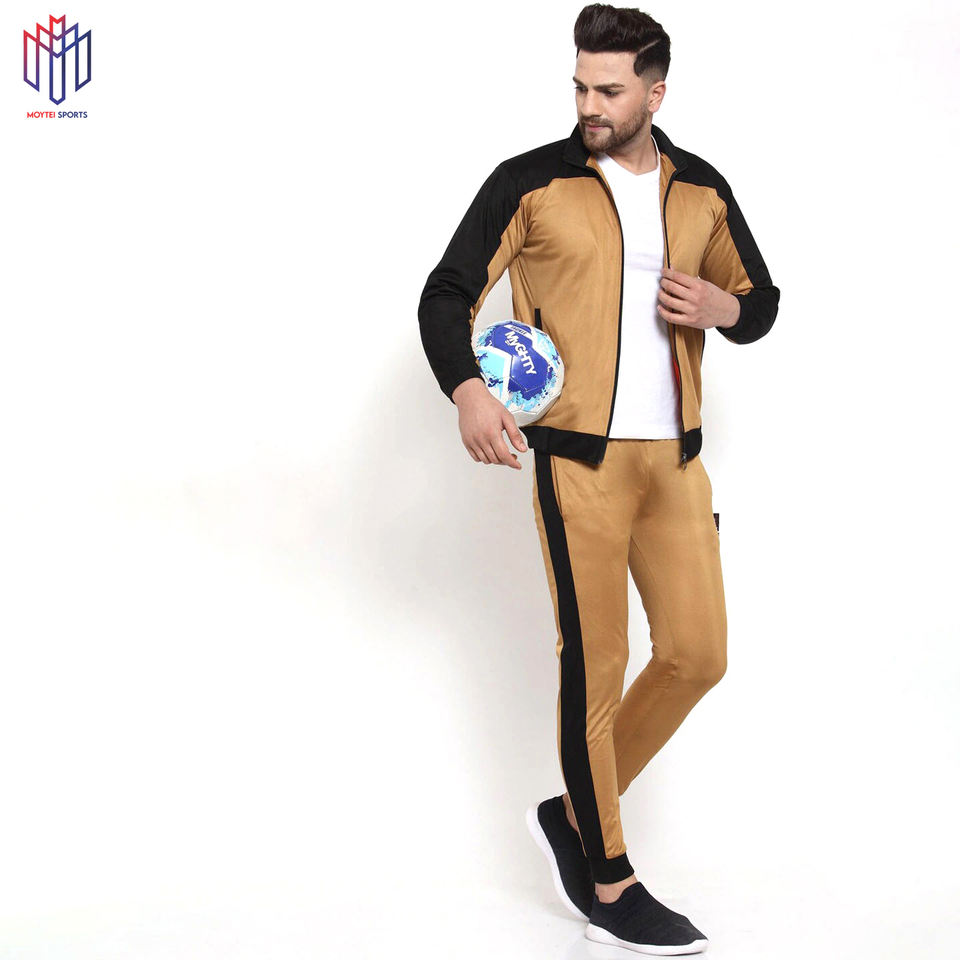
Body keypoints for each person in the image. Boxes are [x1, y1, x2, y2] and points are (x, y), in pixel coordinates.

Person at [417, 4, 779, 953]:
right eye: (580, 85)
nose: (590, 104)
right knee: (597, 662)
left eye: (609, 90)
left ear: (655, 93)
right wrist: (466, 389)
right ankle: (609, 879)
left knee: (698, 655)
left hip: (676, 462)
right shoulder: (530, 182)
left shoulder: (702, 190)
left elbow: (762, 303)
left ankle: (572, 810)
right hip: (578, 462)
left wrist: (723, 306)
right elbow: (447, 291)